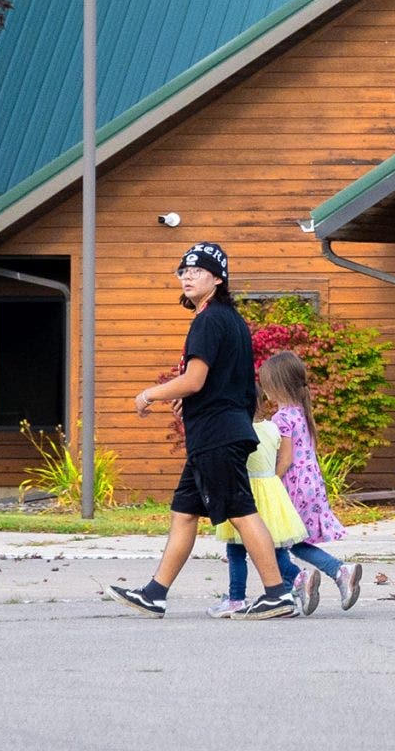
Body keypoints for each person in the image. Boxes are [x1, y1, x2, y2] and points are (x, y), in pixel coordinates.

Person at [103, 242, 297, 619]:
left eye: (198, 271)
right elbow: (228, 384)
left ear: (218, 279)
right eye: (184, 271)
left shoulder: (208, 320)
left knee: (241, 511)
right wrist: (190, 399)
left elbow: (194, 379)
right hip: (219, 431)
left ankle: (277, 593)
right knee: (184, 513)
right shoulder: (232, 321)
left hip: (216, 435)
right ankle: (155, 593)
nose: (188, 276)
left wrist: (150, 394)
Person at [259, 350, 364, 614]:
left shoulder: (281, 418)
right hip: (310, 485)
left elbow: (285, 460)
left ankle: (326, 574)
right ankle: (297, 591)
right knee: (287, 541)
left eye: (266, 383)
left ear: (276, 386)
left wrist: (270, 483)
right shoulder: (301, 413)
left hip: (291, 485)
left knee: (275, 541)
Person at [209, 392, 309, 617]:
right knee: (273, 546)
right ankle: (297, 580)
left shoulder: (238, 431)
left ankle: (236, 599)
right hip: (271, 491)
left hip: (245, 491)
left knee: (235, 550)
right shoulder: (273, 428)